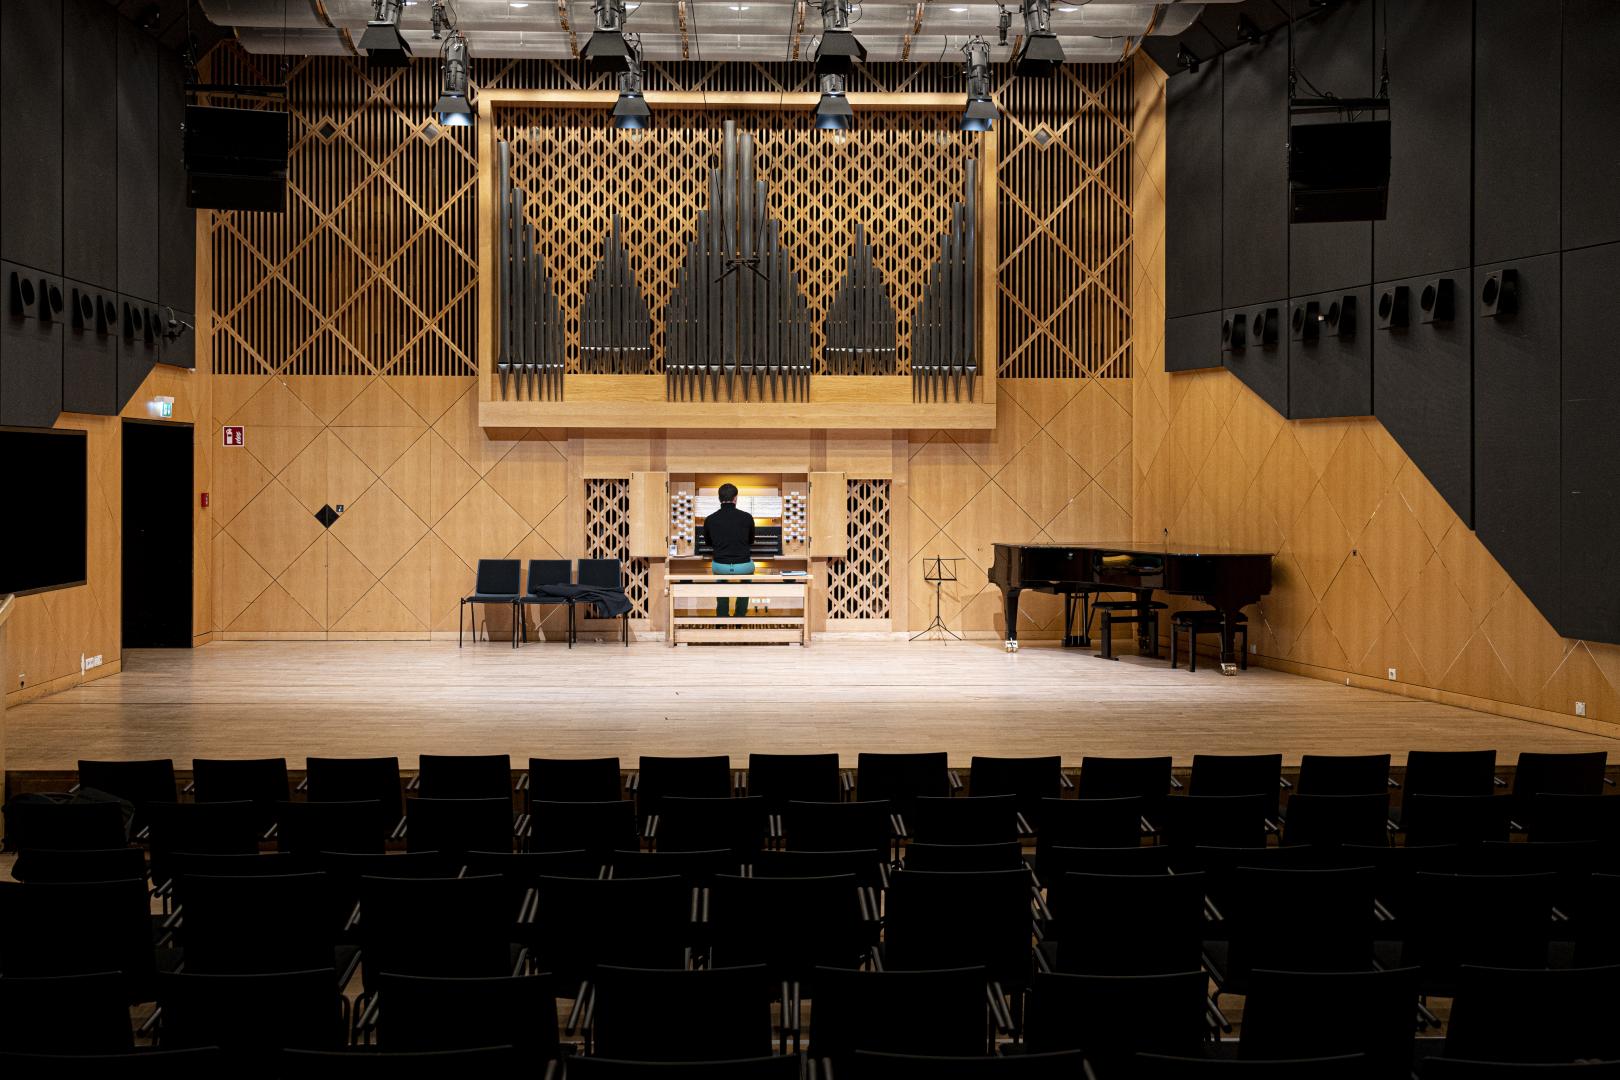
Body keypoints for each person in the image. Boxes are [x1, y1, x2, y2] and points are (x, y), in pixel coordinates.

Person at [704, 482, 756, 618]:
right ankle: (740, 616)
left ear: (719, 498)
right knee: (746, 581)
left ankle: (722, 616)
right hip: (743, 566)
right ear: (735, 498)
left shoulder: (710, 519)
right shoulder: (747, 517)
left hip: (720, 565)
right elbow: (751, 541)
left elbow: (708, 542)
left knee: (721, 584)